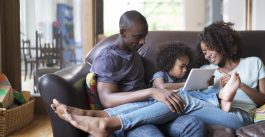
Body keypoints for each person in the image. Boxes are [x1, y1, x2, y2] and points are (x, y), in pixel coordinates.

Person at [51, 21, 265, 136]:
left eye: (210, 49)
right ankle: (95, 115)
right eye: (204, 51)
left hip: (241, 115)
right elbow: (177, 87)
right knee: (176, 97)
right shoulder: (206, 69)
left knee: (180, 99)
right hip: (212, 106)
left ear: (223, 42)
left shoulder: (254, 63)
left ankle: (106, 121)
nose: (207, 55)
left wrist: (238, 83)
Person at [51, 10, 206, 137]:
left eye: (144, 37)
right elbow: (107, 100)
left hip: (149, 110)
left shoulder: (134, 54)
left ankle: (87, 115)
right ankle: (90, 117)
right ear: (122, 32)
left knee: (194, 125)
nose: (142, 42)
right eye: (137, 37)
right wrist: (152, 92)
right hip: (126, 117)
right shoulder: (108, 58)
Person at [151, 41, 240, 112]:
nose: (185, 69)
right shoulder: (160, 74)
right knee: (184, 92)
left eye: (186, 66)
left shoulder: (184, 76)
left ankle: (221, 95)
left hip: (188, 103)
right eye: (182, 66)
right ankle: (219, 98)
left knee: (203, 91)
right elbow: (162, 87)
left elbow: (194, 92)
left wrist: (204, 84)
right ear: (169, 64)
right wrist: (187, 84)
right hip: (165, 103)